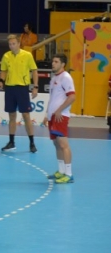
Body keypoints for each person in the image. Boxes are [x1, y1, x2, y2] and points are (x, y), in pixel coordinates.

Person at [0, 34, 39, 153]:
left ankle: (32, 143)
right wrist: (1, 81)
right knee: (11, 116)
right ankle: (11, 142)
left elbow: (34, 71)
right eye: (10, 44)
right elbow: (3, 71)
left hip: (22, 88)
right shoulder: (6, 56)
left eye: (13, 43)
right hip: (10, 89)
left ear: (19, 43)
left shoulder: (27, 55)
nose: (11, 46)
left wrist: (35, 87)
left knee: (26, 115)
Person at [43, 54, 75, 184]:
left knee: (63, 144)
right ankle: (61, 171)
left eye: (56, 62)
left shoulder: (66, 77)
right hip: (53, 117)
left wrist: (59, 110)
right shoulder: (54, 78)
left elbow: (72, 97)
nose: (53, 63)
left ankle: (69, 174)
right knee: (56, 144)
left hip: (60, 117)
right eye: (52, 61)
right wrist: (47, 114)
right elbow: (52, 98)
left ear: (62, 64)